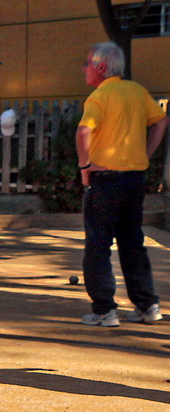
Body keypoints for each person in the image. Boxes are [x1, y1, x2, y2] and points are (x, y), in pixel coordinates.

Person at [77, 41, 167, 326]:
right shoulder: (137, 91)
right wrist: (146, 154)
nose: (84, 69)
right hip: (134, 179)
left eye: (88, 63)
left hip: (106, 179)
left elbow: (82, 132)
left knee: (99, 244)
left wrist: (84, 167)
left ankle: (105, 310)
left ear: (101, 67)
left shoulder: (99, 96)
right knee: (132, 242)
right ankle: (147, 306)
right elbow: (161, 121)